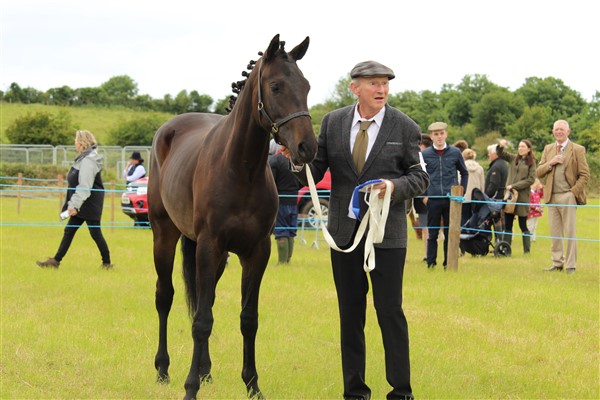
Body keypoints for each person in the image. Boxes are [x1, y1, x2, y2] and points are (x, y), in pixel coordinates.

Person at [284, 60, 428, 399]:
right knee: (350, 314)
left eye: (385, 83)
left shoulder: (405, 126)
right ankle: (355, 392)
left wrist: (392, 187)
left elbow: (420, 177)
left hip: (386, 235)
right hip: (343, 235)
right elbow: (314, 171)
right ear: (355, 88)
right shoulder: (333, 122)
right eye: (374, 83)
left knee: (389, 311)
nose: (381, 89)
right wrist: (295, 159)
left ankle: (401, 392)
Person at [37, 130, 112, 269]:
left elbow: (85, 186)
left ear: (82, 142)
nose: (75, 143)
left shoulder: (89, 160)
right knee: (70, 230)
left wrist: (74, 205)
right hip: (82, 203)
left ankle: (107, 263)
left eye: (76, 141)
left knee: (95, 233)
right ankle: (55, 261)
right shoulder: (83, 158)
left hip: (88, 204)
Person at [537, 119, 589, 274]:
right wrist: (551, 163)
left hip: (568, 196)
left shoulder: (578, 149)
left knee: (570, 232)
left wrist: (573, 193)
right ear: (553, 132)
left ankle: (571, 266)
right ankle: (557, 263)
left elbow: (585, 175)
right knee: (555, 232)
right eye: (556, 129)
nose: (558, 131)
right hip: (551, 197)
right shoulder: (548, 149)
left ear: (568, 132)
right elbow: (538, 172)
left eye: (562, 129)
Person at [421, 122, 468, 269]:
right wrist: (424, 195)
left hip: (451, 199)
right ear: (431, 136)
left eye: (441, 133)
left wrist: (461, 191)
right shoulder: (425, 155)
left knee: (450, 233)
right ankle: (431, 263)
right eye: (436, 134)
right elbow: (419, 176)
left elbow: (464, 173)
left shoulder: (455, 152)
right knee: (432, 233)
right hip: (433, 199)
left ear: (446, 134)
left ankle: (448, 263)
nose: (439, 137)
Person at [497, 139, 536, 254]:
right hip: (510, 197)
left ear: (529, 149)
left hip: (522, 197)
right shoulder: (513, 158)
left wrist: (514, 186)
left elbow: (531, 179)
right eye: (519, 146)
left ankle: (527, 252)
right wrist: (501, 146)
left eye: (523, 147)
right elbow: (500, 153)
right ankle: (506, 250)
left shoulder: (532, 162)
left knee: (523, 225)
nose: (520, 148)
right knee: (508, 224)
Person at [268, 146, 301, 264]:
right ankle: (288, 259)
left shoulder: (275, 161)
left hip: (280, 200)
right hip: (294, 200)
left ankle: (282, 262)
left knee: (281, 230)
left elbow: (271, 181)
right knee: (291, 230)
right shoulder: (297, 161)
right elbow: (302, 181)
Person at [484, 143, 509, 242]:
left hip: (495, 198)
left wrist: (485, 196)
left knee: (495, 220)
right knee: (499, 220)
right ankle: (500, 241)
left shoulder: (496, 166)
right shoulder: (503, 164)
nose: (488, 155)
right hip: (501, 197)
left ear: (495, 154)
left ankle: (498, 241)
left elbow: (494, 185)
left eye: (489, 153)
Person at [461, 148, 485, 226]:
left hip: (464, 197)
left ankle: (463, 232)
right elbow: (482, 185)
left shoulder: (461, 167)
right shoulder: (480, 168)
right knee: (474, 219)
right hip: (476, 198)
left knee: (464, 218)